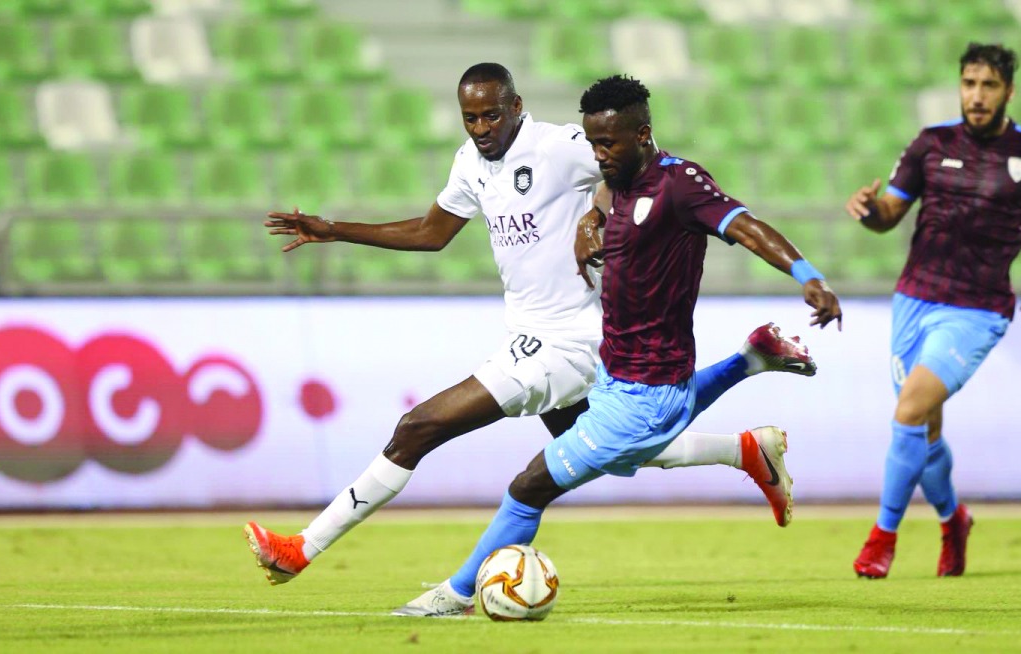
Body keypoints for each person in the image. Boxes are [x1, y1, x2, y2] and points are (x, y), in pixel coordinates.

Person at [243, 64, 819, 586]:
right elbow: (431, 233)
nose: (481, 127)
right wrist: (336, 229)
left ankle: (305, 548)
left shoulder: (561, 145)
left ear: (516, 106)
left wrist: (592, 216)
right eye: (470, 117)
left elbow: (636, 165)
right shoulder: (470, 162)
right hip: (527, 331)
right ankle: (745, 449)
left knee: (418, 428)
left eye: (491, 113)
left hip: (567, 339)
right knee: (618, 450)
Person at [392, 74, 843, 617]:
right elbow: (604, 190)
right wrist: (593, 214)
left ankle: (458, 593)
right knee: (633, 453)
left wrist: (808, 276)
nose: (598, 155)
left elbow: (747, 227)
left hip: (647, 387)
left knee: (529, 485)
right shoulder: (619, 180)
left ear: (643, 135)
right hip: (615, 372)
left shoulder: (680, 185)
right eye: (593, 142)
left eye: (609, 144)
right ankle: (753, 362)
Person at [845, 43, 1021, 579]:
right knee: (925, 429)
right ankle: (953, 520)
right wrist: (869, 212)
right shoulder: (931, 143)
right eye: (969, 84)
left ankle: (882, 539)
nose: (976, 97)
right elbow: (890, 211)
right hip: (913, 300)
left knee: (909, 410)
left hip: (976, 310)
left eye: (988, 86)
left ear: (1008, 91)